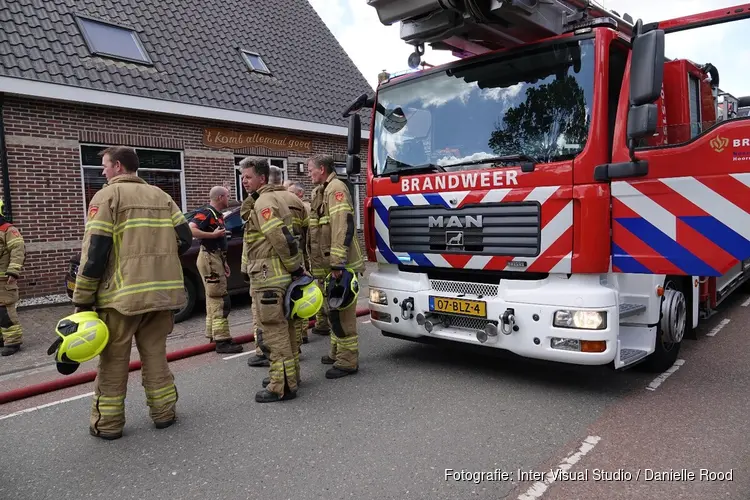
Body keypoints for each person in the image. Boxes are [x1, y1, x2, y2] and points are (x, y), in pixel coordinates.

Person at [72, 146, 192, 439]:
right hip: (161, 296)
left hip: (121, 298)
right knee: (155, 356)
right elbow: (185, 238)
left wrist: (83, 298)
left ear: (119, 166)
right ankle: (164, 413)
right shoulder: (162, 196)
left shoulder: (106, 197)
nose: (102, 171)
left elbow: (96, 251)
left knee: (113, 361)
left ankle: (108, 424)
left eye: (104, 165)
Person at [239, 156, 306, 402]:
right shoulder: (269, 198)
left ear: (262, 178)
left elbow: (279, 236)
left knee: (273, 334)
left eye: (248, 177)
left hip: (269, 277)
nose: (244, 181)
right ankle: (291, 377)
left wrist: (295, 267)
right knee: (286, 331)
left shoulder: (265, 201)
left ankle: (281, 386)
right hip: (278, 275)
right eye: (242, 177)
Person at [307, 154, 365, 378]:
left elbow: (342, 226)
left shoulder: (336, 189)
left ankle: (347, 361)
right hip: (328, 266)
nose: (309, 173)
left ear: (321, 169)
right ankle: (336, 352)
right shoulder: (321, 190)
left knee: (343, 316)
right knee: (333, 312)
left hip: (339, 265)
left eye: (310, 169)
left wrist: (337, 262)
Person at [189, 186, 242, 354]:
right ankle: (222, 340)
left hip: (215, 258)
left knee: (213, 298)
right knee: (220, 299)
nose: (229, 198)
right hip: (209, 258)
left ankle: (214, 334)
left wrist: (224, 261)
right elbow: (191, 228)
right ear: (219, 197)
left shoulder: (216, 215)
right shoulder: (206, 213)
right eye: (227, 196)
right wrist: (213, 236)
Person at [287, 182, 311, 345]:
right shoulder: (302, 206)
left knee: (296, 294)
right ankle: (303, 332)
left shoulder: (301, 206)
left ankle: (299, 335)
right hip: (301, 253)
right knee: (301, 292)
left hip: (295, 255)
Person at [0, 200, 25, 356]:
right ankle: (3, 338)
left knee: (5, 311)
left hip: (4, 281)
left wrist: (13, 272)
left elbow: (18, 250)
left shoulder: (8, 230)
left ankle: (13, 341)